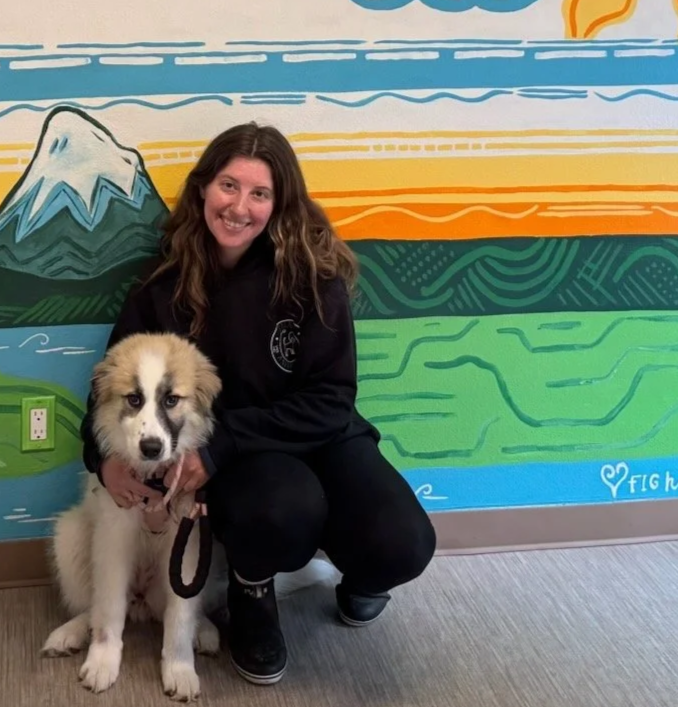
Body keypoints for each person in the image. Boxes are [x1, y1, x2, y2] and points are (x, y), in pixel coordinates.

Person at [79, 121, 437, 686]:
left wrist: (224, 443)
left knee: (404, 542)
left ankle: (363, 577)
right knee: (281, 508)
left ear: (280, 203)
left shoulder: (313, 276)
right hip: (247, 459)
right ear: (203, 190)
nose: (239, 206)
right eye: (228, 185)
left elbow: (333, 399)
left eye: (259, 193)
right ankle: (253, 591)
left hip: (318, 437)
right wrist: (99, 457)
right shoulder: (161, 288)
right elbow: (111, 388)